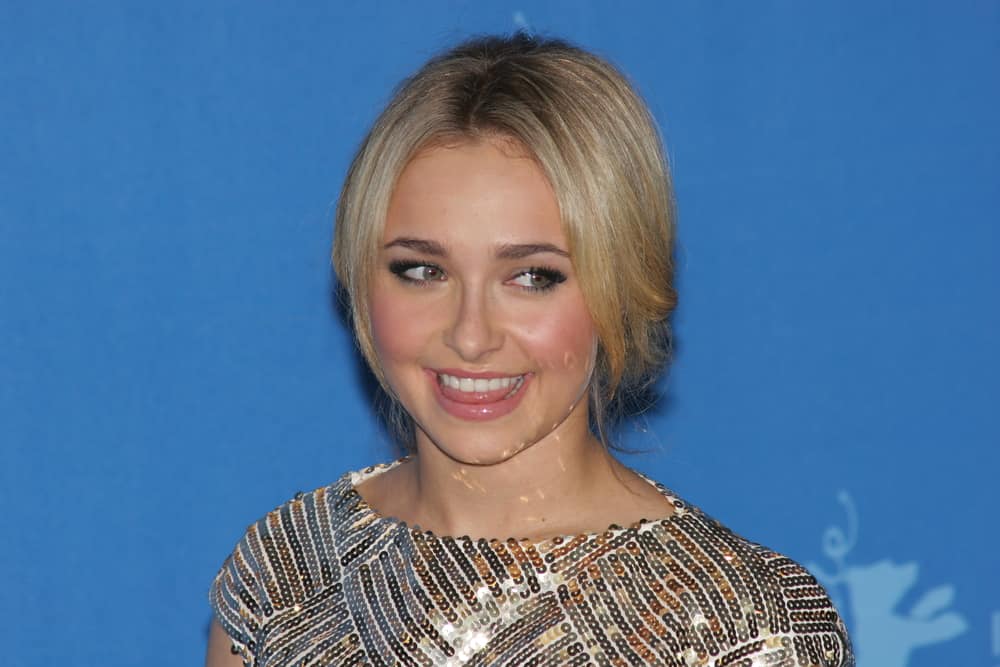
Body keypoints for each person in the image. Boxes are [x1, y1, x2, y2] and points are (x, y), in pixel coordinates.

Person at [206, 33, 854, 667]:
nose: (470, 334)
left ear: (619, 286)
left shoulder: (745, 627)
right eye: (422, 270)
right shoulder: (286, 574)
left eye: (532, 276)